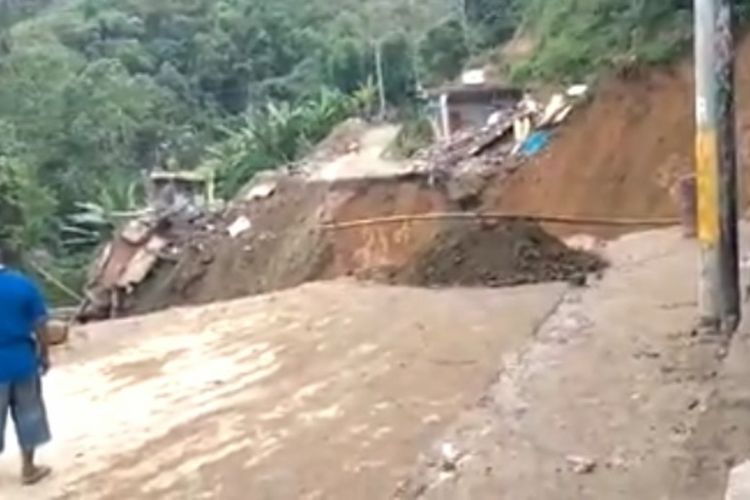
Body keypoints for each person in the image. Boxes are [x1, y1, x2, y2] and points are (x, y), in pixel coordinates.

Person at [0, 248, 52, 485]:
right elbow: (40, 324)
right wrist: (44, 354)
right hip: (22, 360)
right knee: (29, 413)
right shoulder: (23, 285)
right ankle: (28, 469)